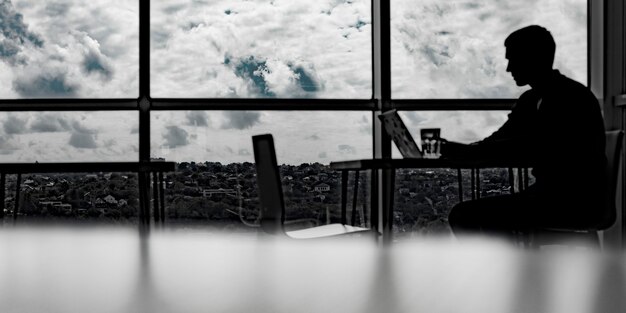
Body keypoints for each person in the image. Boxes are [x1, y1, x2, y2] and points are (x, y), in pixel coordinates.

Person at [442, 25, 606, 237]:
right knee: (476, 216)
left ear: (532, 58)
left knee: (464, 215)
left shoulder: (568, 98)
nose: (508, 68)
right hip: (561, 197)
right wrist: (472, 149)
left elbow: (533, 144)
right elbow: (505, 138)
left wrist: (471, 153)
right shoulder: (542, 98)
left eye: (513, 59)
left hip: (573, 202)